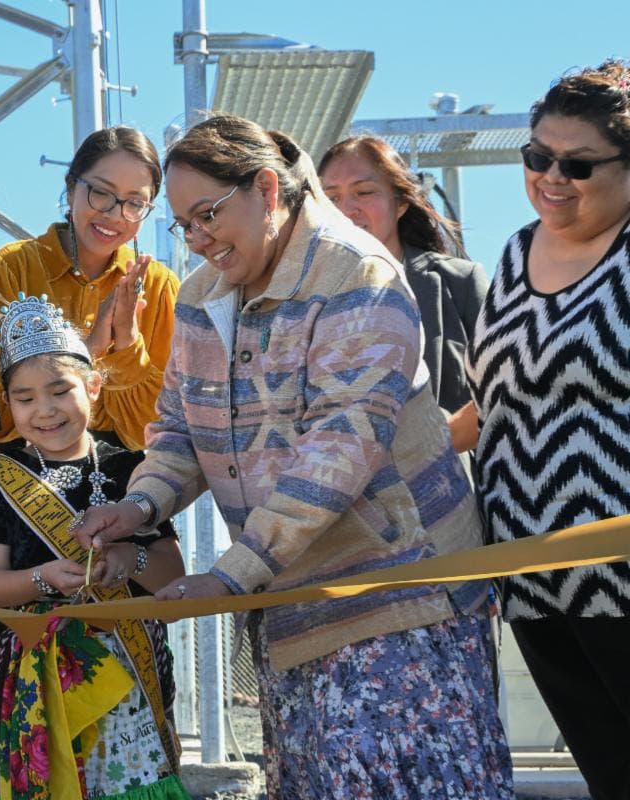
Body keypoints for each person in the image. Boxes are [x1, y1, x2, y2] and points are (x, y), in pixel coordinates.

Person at [72, 114, 514, 798]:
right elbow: (179, 431)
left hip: (400, 606)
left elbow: (343, 446)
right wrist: (139, 504)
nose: (197, 239)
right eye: (183, 224)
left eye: (209, 214)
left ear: (268, 190)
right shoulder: (200, 298)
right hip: (291, 612)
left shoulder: (358, 274)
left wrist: (232, 575)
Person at [466, 59, 630, 800]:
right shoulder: (511, 252)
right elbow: (494, 402)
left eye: (578, 164)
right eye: (537, 157)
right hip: (530, 581)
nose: (551, 176)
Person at [0, 293, 188, 799]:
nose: (44, 410)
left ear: (93, 385)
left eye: (60, 390)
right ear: (8, 404)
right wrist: (44, 579)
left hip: (130, 668)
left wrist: (125, 558)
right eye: (24, 398)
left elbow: (171, 575)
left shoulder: (132, 469)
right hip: (39, 676)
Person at [0, 126, 179, 451]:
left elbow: (155, 432)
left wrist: (127, 343)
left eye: (135, 203)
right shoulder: (10, 269)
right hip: (27, 482)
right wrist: (89, 350)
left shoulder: (159, 287)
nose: (115, 215)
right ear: (71, 188)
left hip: (128, 486)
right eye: (101, 193)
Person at [318, 135, 489, 447]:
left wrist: (441, 442)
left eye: (364, 192)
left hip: (447, 481)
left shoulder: (458, 282)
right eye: (331, 199)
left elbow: (503, 389)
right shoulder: (303, 297)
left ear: (401, 203)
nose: (346, 210)